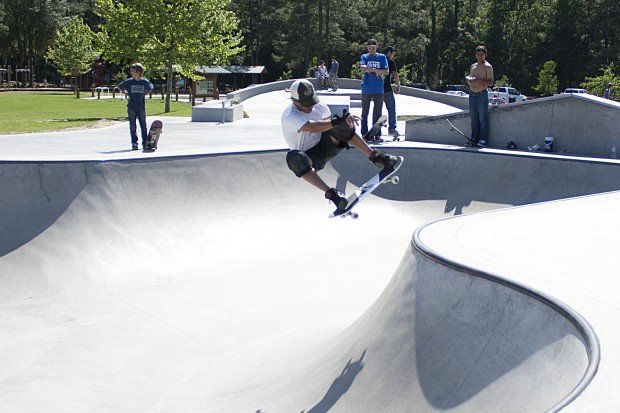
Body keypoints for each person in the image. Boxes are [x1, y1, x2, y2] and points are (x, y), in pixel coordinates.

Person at [282, 79, 399, 211]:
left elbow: (330, 126)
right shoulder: (289, 116)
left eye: (311, 103)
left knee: (339, 126)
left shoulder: (320, 106)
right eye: (305, 105)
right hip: (310, 158)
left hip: (327, 145)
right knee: (294, 158)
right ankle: (333, 195)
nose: (310, 107)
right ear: (294, 101)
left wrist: (343, 122)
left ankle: (377, 157)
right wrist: (336, 122)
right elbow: (312, 127)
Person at [118, 63, 154, 150]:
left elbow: (151, 87)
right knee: (133, 126)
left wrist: (146, 93)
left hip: (141, 107)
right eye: (131, 71)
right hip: (131, 107)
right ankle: (134, 143)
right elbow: (120, 86)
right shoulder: (129, 82)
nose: (131, 73)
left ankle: (145, 142)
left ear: (138, 72)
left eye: (133, 71)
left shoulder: (144, 82)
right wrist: (125, 92)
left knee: (143, 125)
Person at [360, 39, 389, 142]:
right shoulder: (364, 57)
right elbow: (362, 67)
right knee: (365, 112)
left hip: (378, 89)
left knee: (378, 113)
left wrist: (371, 69)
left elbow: (386, 71)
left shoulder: (382, 57)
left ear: (377, 47)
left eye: (373, 47)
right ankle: (364, 133)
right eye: (369, 48)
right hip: (366, 88)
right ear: (367, 48)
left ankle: (376, 133)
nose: (371, 49)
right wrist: (376, 70)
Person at [466, 45, 494, 147]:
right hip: (472, 93)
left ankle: (483, 140)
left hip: (482, 94)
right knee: (474, 118)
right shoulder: (473, 66)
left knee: (483, 118)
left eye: (482, 54)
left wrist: (478, 80)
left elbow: (491, 82)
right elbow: (471, 78)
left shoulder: (488, 67)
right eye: (478, 54)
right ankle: (474, 138)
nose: (480, 56)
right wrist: (470, 81)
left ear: (485, 55)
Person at [383, 46, 401, 137]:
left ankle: (375, 132)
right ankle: (392, 129)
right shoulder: (390, 61)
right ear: (389, 52)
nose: (394, 55)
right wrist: (398, 85)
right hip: (387, 89)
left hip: (376, 89)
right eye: (393, 53)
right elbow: (395, 74)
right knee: (391, 109)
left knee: (376, 110)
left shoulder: (379, 60)